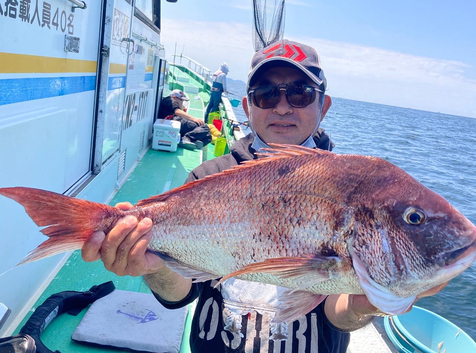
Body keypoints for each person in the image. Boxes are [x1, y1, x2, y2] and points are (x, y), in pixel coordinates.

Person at [82, 40, 448, 353]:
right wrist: (150, 266)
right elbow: (180, 296)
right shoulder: (208, 178)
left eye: (301, 93)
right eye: (267, 94)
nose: (283, 107)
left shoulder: (350, 190)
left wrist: (364, 306)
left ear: (325, 105)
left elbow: (338, 311)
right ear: (247, 106)